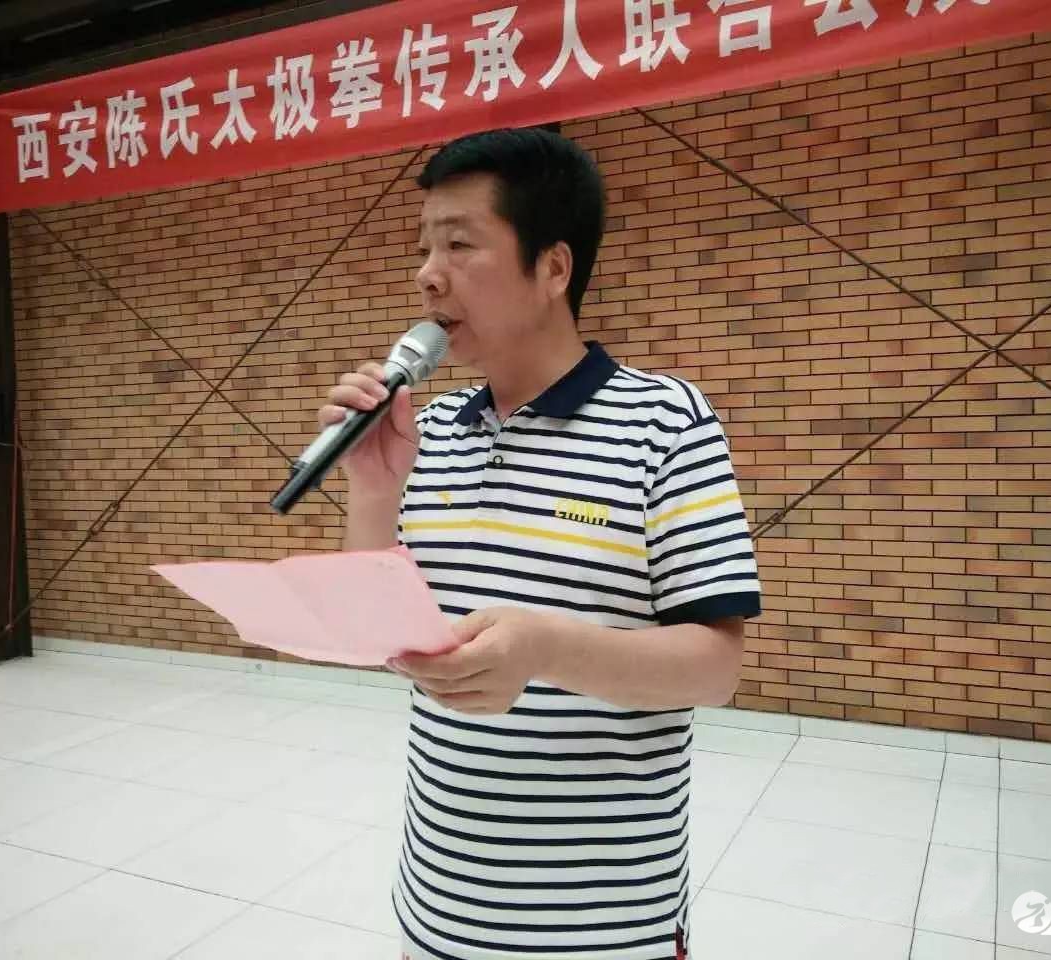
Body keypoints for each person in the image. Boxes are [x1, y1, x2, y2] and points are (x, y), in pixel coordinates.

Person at [319, 127, 762, 960]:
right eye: (423, 247)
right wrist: (373, 492)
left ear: (554, 268)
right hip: (440, 904)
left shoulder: (665, 421)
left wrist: (545, 648)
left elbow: (715, 668)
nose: (427, 274)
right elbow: (375, 637)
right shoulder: (431, 432)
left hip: (604, 925)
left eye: (459, 244)